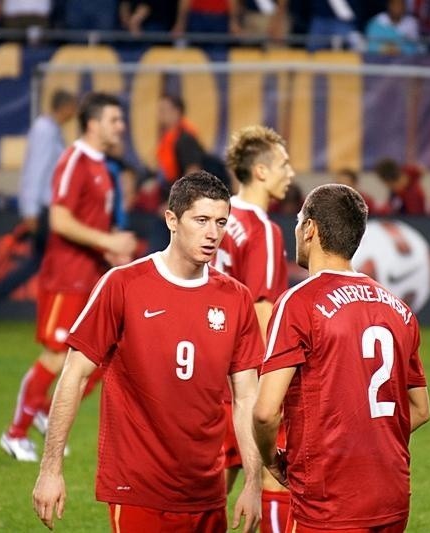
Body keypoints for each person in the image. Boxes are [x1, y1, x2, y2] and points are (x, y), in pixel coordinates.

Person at [32, 171, 264, 532]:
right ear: (172, 220)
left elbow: (247, 397)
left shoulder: (236, 298)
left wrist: (253, 482)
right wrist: (50, 469)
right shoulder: (123, 285)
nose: (212, 233)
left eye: (220, 222)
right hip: (138, 489)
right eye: (201, 220)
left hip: (206, 490)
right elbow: (74, 376)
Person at [253, 183, 430, 532]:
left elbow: (264, 413)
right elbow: (421, 409)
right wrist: (368, 438)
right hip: (392, 494)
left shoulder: (297, 303)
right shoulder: (399, 309)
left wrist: (272, 462)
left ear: (310, 229)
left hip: (329, 499)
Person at [0, 92, 137, 462]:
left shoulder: (101, 166)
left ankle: (44, 409)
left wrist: (111, 251)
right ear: (92, 124)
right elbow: (59, 220)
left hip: (91, 275)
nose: (120, 127)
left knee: (106, 354)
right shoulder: (74, 160)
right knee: (56, 356)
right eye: (114, 120)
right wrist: (106, 239)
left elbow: (88, 224)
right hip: (66, 277)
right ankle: (15, 433)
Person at [216, 125, 294, 532]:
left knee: (214, 484)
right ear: (261, 171)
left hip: (211, 363)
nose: (291, 172)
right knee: (268, 473)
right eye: (283, 164)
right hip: (245, 373)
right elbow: (263, 313)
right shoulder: (263, 230)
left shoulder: (217, 216)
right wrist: (272, 385)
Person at [0, 89, 78, 323]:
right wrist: (30, 210)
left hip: (45, 208)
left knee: (38, 262)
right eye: (73, 106)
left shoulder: (51, 130)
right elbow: (36, 171)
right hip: (44, 210)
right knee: (57, 261)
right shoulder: (45, 131)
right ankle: (60, 313)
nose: (75, 111)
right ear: (65, 106)